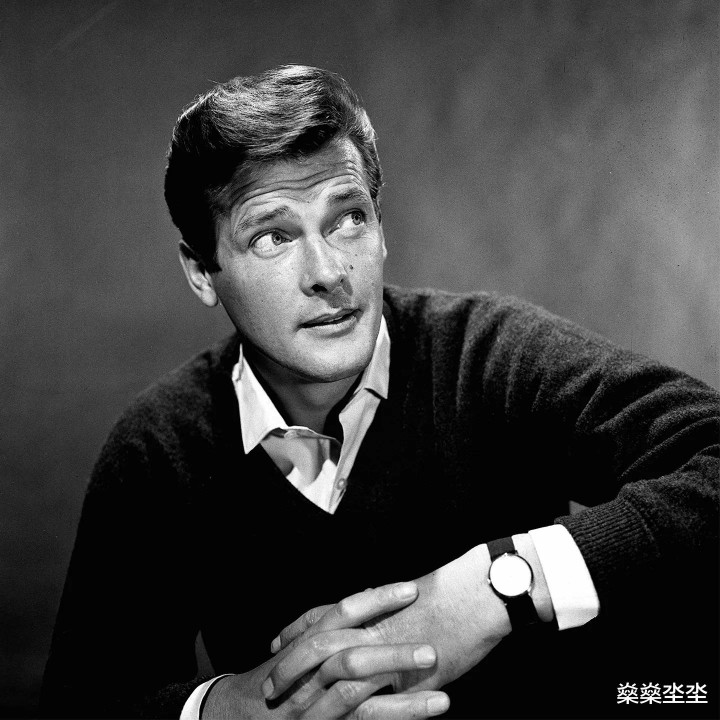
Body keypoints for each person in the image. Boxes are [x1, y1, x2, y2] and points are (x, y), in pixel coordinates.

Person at [41, 65, 719, 720]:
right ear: (201, 271)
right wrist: (226, 709)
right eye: (273, 236)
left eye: (348, 219)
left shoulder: (491, 357)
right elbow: (85, 703)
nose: (328, 272)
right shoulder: (161, 445)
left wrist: (496, 586)